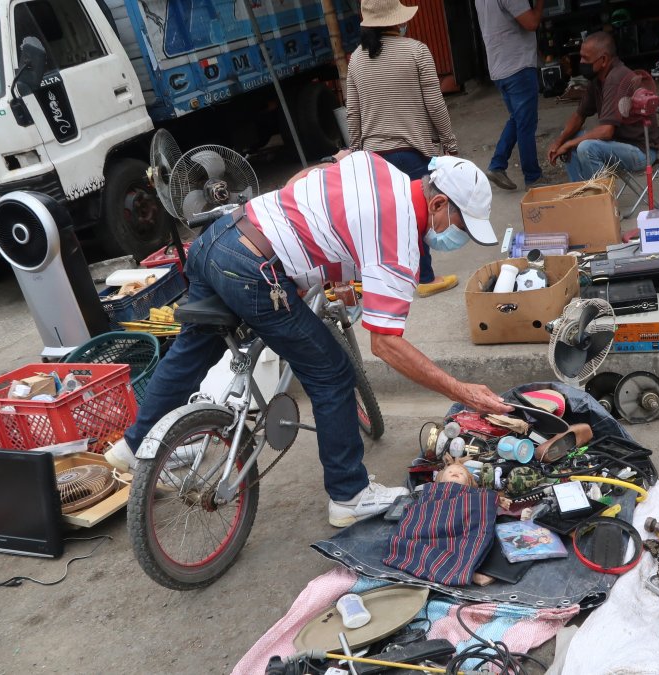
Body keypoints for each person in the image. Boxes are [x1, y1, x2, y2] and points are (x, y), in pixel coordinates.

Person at [107, 152, 512, 528]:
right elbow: (385, 344)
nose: (455, 239)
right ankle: (349, 495)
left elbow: (310, 175)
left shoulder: (376, 165)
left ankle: (133, 444)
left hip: (219, 237)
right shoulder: (399, 237)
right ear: (439, 205)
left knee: (193, 349)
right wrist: (461, 390)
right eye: (460, 227)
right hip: (255, 269)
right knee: (333, 374)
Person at [346, 0, 460, 298]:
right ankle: (425, 277)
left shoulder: (356, 59)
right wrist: (449, 142)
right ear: (396, 20)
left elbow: (353, 113)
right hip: (412, 152)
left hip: (373, 159)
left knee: (383, 220)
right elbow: (435, 104)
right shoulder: (416, 50)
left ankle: (388, 282)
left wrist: (355, 151)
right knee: (417, 214)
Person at [547, 32, 659, 183]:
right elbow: (579, 115)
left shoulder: (616, 78)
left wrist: (568, 143)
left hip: (641, 151)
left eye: (586, 58)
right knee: (571, 137)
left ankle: (599, 198)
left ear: (603, 60)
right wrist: (560, 141)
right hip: (619, 145)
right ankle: (580, 194)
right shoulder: (597, 79)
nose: (581, 62)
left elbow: (606, 131)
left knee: (586, 148)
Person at [475, 0, 543, 191]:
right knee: (526, 123)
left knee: (518, 119)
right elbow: (531, 23)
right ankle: (533, 177)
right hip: (517, 66)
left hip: (499, 67)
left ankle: (497, 165)